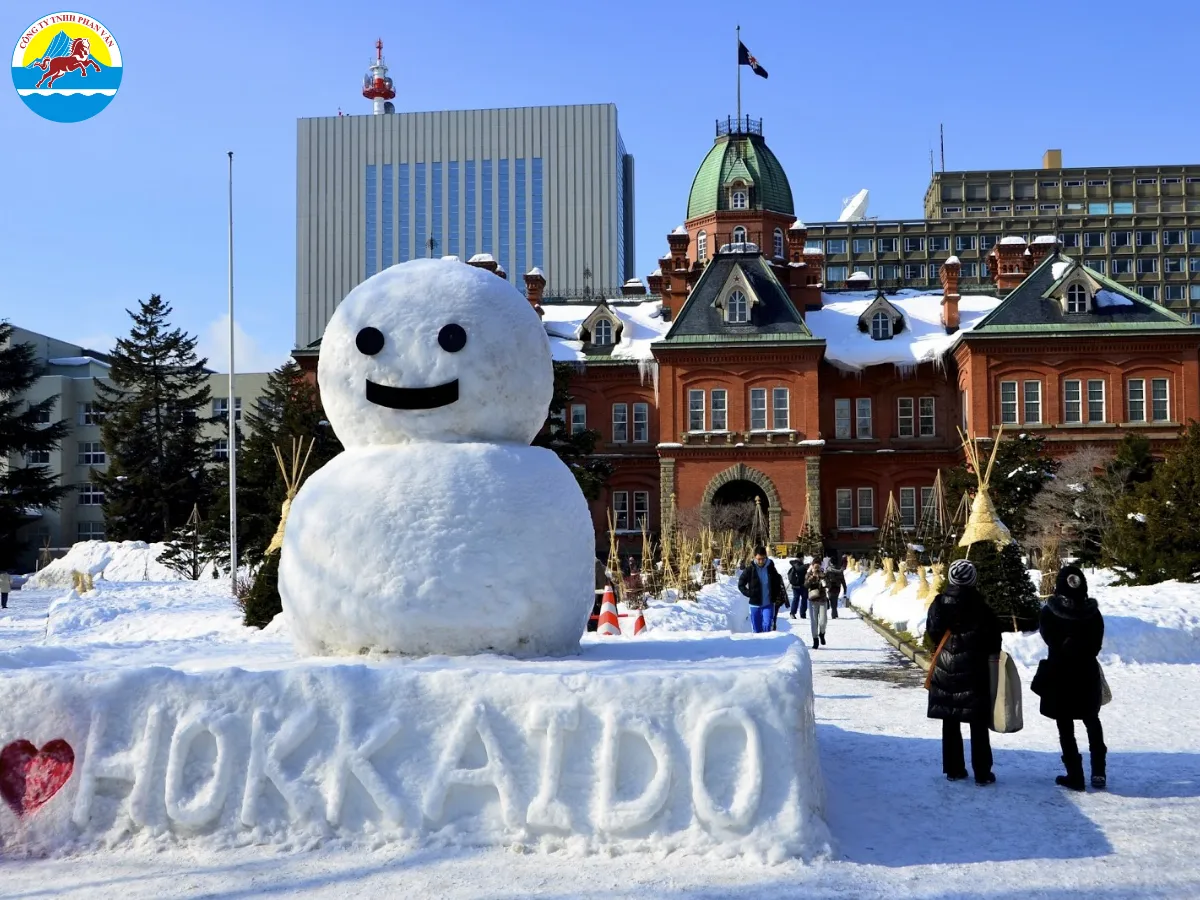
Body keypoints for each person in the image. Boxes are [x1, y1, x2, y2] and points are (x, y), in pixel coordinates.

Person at [926, 559, 1001, 786]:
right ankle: (982, 772)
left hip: (946, 666)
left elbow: (932, 632)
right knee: (977, 722)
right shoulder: (982, 607)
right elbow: (994, 640)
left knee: (950, 720)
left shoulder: (939, 603)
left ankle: (954, 769)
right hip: (974, 668)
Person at [1033, 565, 1107, 791]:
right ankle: (1099, 772)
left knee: (1065, 725)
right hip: (1086, 672)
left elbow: (1050, 639)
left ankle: (1075, 775)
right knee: (1091, 719)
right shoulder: (1093, 613)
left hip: (1060, 673)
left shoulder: (1049, 612)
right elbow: (1096, 645)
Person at [738, 546, 786, 634]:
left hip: (768, 604)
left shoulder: (770, 568)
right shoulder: (750, 570)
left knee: (767, 626)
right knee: (757, 630)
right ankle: (758, 646)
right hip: (754, 605)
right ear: (754, 557)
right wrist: (749, 593)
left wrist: (775, 594)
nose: (761, 561)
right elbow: (741, 584)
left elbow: (777, 582)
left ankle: (767, 646)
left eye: (763, 559)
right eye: (758, 559)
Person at [804, 561, 829, 649]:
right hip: (812, 601)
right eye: (815, 567)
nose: (817, 569)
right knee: (814, 622)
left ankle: (822, 633)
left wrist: (823, 579)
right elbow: (806, 585)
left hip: (822, 600)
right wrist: (812, 577)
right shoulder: (808, 575)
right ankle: (815, 639)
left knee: (823, 621)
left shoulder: (824, 574)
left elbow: (828, 585)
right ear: (812, 566)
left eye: (818, 566)